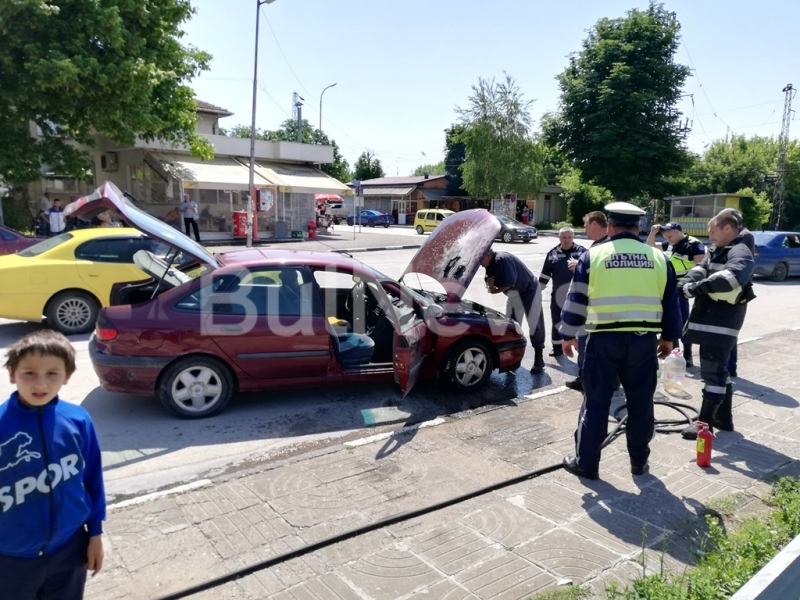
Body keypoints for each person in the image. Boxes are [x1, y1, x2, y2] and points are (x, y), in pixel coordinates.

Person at [559, 202, 682, 479]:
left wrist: (568, 334)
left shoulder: (593, 257)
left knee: (597, 402)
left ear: (610, 227)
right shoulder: (659, 258)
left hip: (602, 341)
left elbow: (576, 299)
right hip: (643, 342)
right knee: (640, 403)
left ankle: (586, 463)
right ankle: (639, 463)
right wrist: (669, 338)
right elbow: (671, 303)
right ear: (638, 228)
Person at [0, 330, 106, 598]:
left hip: (69, 550)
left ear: (67, 376)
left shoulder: (78, 420)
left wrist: (95, 534)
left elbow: (93, 480)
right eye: (29, 373)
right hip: (10, 559)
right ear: (12, 373)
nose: (41, 384)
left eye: (52, 374)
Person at [680, 211, 755, 439]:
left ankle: (704, 424)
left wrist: (695, 288)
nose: (710, 236)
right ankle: (723, 418)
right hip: (711, 321)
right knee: (718, 370)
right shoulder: (719, 251)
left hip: (720, 323)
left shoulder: (739, 252)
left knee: (713, 373)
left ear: (727, 229)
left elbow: (731, 278)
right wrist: (685, 281)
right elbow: (702, 268)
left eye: (713, 231)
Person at [646, 222, 705, 367]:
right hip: (669, 285)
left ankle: (688, 354)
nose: (669, 239)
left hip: (683, 288)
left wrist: (693, 288)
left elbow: (702, 266)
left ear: (678, 231)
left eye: (670, 236)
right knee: (671, 321)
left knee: (682, 322)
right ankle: (675, 353)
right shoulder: (672, 244)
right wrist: (652, 233)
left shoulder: (694, 244)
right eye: (666, 237)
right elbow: (649, 247)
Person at [481, 248, 547, 374]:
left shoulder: (502, 259)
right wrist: (489, 284)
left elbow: (509, 282)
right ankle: (511, 360)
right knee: (511, 326)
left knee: (534, 323)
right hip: (514, 294)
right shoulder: (489, 264)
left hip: (529, 290)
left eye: (480, 259)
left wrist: (494, 290)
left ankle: (539, 358)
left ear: (488, 255)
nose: (479, 263)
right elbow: (490, 279)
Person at [565, 211, 610, 391]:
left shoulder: (603, 246)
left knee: (587, 345)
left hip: (594, 308)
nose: (584, 229)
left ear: (593, 224)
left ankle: (586, 380)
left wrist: (580, 267)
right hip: (602, 309)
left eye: (585, 225)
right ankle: (587, 378)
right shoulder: (601, 244)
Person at [717, 208, 755, 378]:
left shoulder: (744, 236)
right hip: (731, 287)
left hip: (737, 290)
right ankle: (726, 367)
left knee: (729, 331)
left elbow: (741, 267)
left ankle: (729, 367)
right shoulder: (742, 235)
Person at [538, 226, 587, 358]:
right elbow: (544, 276)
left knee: (582, 322)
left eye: (569, 237)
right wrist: (537, 292)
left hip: (580, 296)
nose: (567, 240)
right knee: (557, 321)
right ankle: (557, 347)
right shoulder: (552, 254)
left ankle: (582, 348)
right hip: (558, 296)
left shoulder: (583, 252)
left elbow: (593, 271)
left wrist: (580, 265)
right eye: (564, 237)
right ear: (559, 238)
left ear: (573, 237)